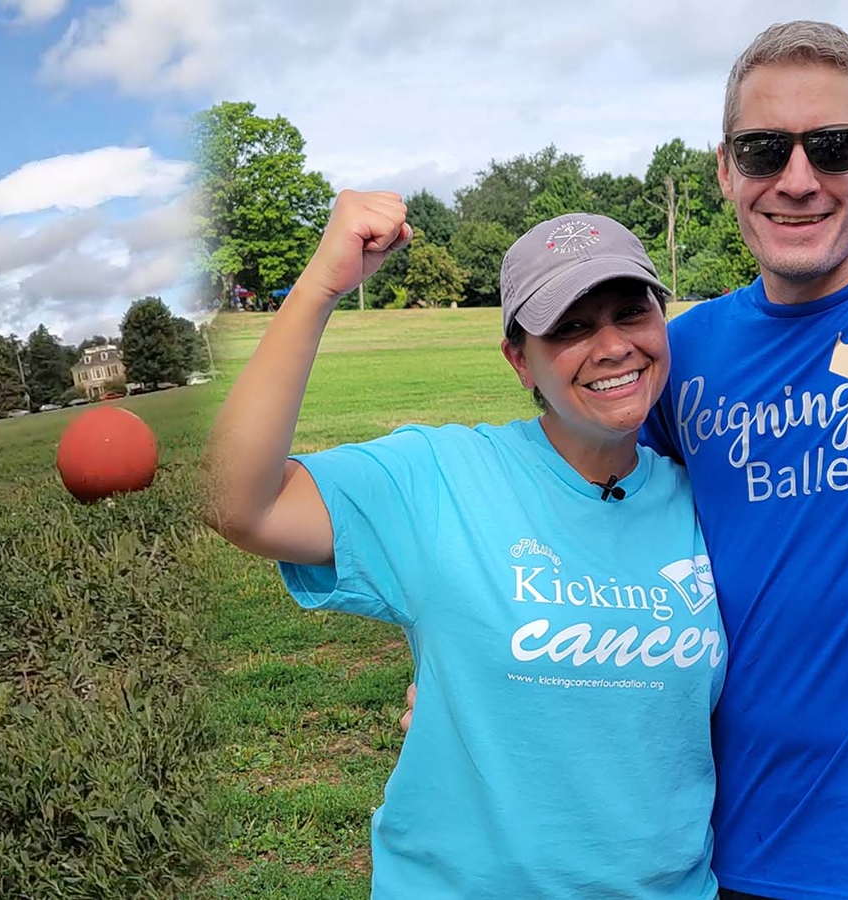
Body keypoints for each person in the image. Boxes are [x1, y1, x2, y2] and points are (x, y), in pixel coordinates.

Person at [406, 20, 848, 900]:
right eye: (764, 150)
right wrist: (467, 661)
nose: (797, 179)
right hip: (728, 850)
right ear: (726, 170)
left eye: (832, 146)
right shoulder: (681, 355)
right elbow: (592, 517)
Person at [202, 191, 728, 898]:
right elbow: (238, 504)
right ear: (520, 361)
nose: (611, 346)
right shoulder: (441, 477)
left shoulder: (707, 497)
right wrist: (321, 286)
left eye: (632, 312)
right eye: (571, 327)